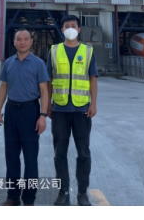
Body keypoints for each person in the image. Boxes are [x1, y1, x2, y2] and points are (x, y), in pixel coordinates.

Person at [47, 15, 98, 206]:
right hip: (59, 110)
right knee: (59, 153)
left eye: (73, 26)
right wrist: (47, 105)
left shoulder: (87, 51)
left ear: (79, 29)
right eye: (67, 26)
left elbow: (93, 79)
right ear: (62, 30)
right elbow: (49, 80)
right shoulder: (54, 51)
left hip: (82, 109)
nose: (70, 28)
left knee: (83, 153)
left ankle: (82, 193)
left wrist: (93, 104)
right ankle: (63, 192)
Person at [0, 29, 49, 206]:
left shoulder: (38, 64)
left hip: (30, 112)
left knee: (30, 159)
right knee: (11, 157)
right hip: (11, 111)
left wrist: (43, 115)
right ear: (14, 41)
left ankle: (29, 199)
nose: (22, 42)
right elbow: (4, 86)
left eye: (26, 39)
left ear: (31, 41)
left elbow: (44, 90)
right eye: (19, 39)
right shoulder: (9, 63)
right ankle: (13, 196)